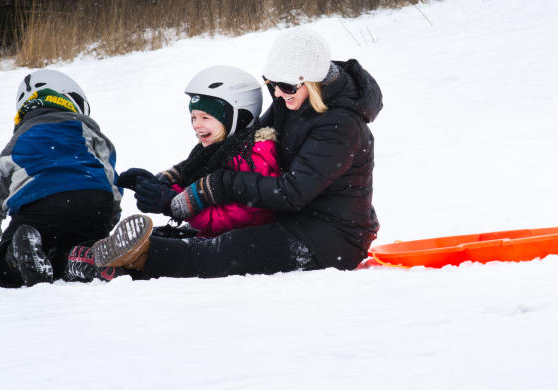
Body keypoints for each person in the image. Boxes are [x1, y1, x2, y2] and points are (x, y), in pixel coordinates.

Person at [75, 27, 382, 280]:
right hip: (292, 221)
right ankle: (100, 252)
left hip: (333, 238)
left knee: (227, 250)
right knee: (202, 236)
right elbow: (235, 147)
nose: (276, 93)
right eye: (271, 83)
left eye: (285, 86)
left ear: (311, 81)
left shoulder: (341, 126)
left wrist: (215, 187)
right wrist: (173, 180)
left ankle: (129, 264)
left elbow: (291, 193)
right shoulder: (291, 101)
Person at [0, 69, 122, 287]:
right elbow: (113, 186)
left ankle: (14, 260)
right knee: (72, 247)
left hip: (41, 207)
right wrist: (103, 225)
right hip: (92, 205)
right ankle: (75, 258)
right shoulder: (92, 134)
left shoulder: (18, 143)